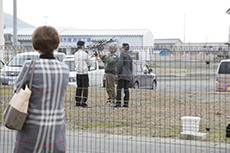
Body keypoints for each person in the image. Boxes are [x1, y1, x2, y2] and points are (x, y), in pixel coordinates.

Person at [13, 26, 69, 153]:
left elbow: (16, 93)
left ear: (35, 44)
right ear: (56, 44)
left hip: (31, 128)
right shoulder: (64, 69)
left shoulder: (30, 66)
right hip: (56, 129)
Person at [74, 40, 95, 107]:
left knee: (79, 87)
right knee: (85, 88)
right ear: (82, 46)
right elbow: (90, 63)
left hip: (78, 73)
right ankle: (83, 102)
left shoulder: (75, 54)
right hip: (84, 73)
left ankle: (78, 101)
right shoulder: (85, 54)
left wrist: (89, 57)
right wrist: (92, 58)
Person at [113, 43, 133, 108]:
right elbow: (131, 67)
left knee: (119, 89)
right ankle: (126, 103)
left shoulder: (122, 54)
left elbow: (120, 64)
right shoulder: (129, 56)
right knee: (126, 89)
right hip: (127, 75)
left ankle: (118, 103)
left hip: (122, 75)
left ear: (123, 48)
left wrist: (117, 73)